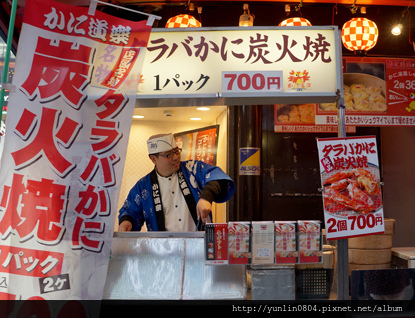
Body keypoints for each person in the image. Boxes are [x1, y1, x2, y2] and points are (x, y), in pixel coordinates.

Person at [118, 133, 235, 232]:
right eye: (169, 155)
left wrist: (206, 198)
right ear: (153, 159)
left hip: (199, 246)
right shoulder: (143, 186)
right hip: (162, 251)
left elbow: (217, 177)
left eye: (177, 151)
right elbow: (130, 211)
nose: (176, 157)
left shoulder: (192, 169)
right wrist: (126, 222)